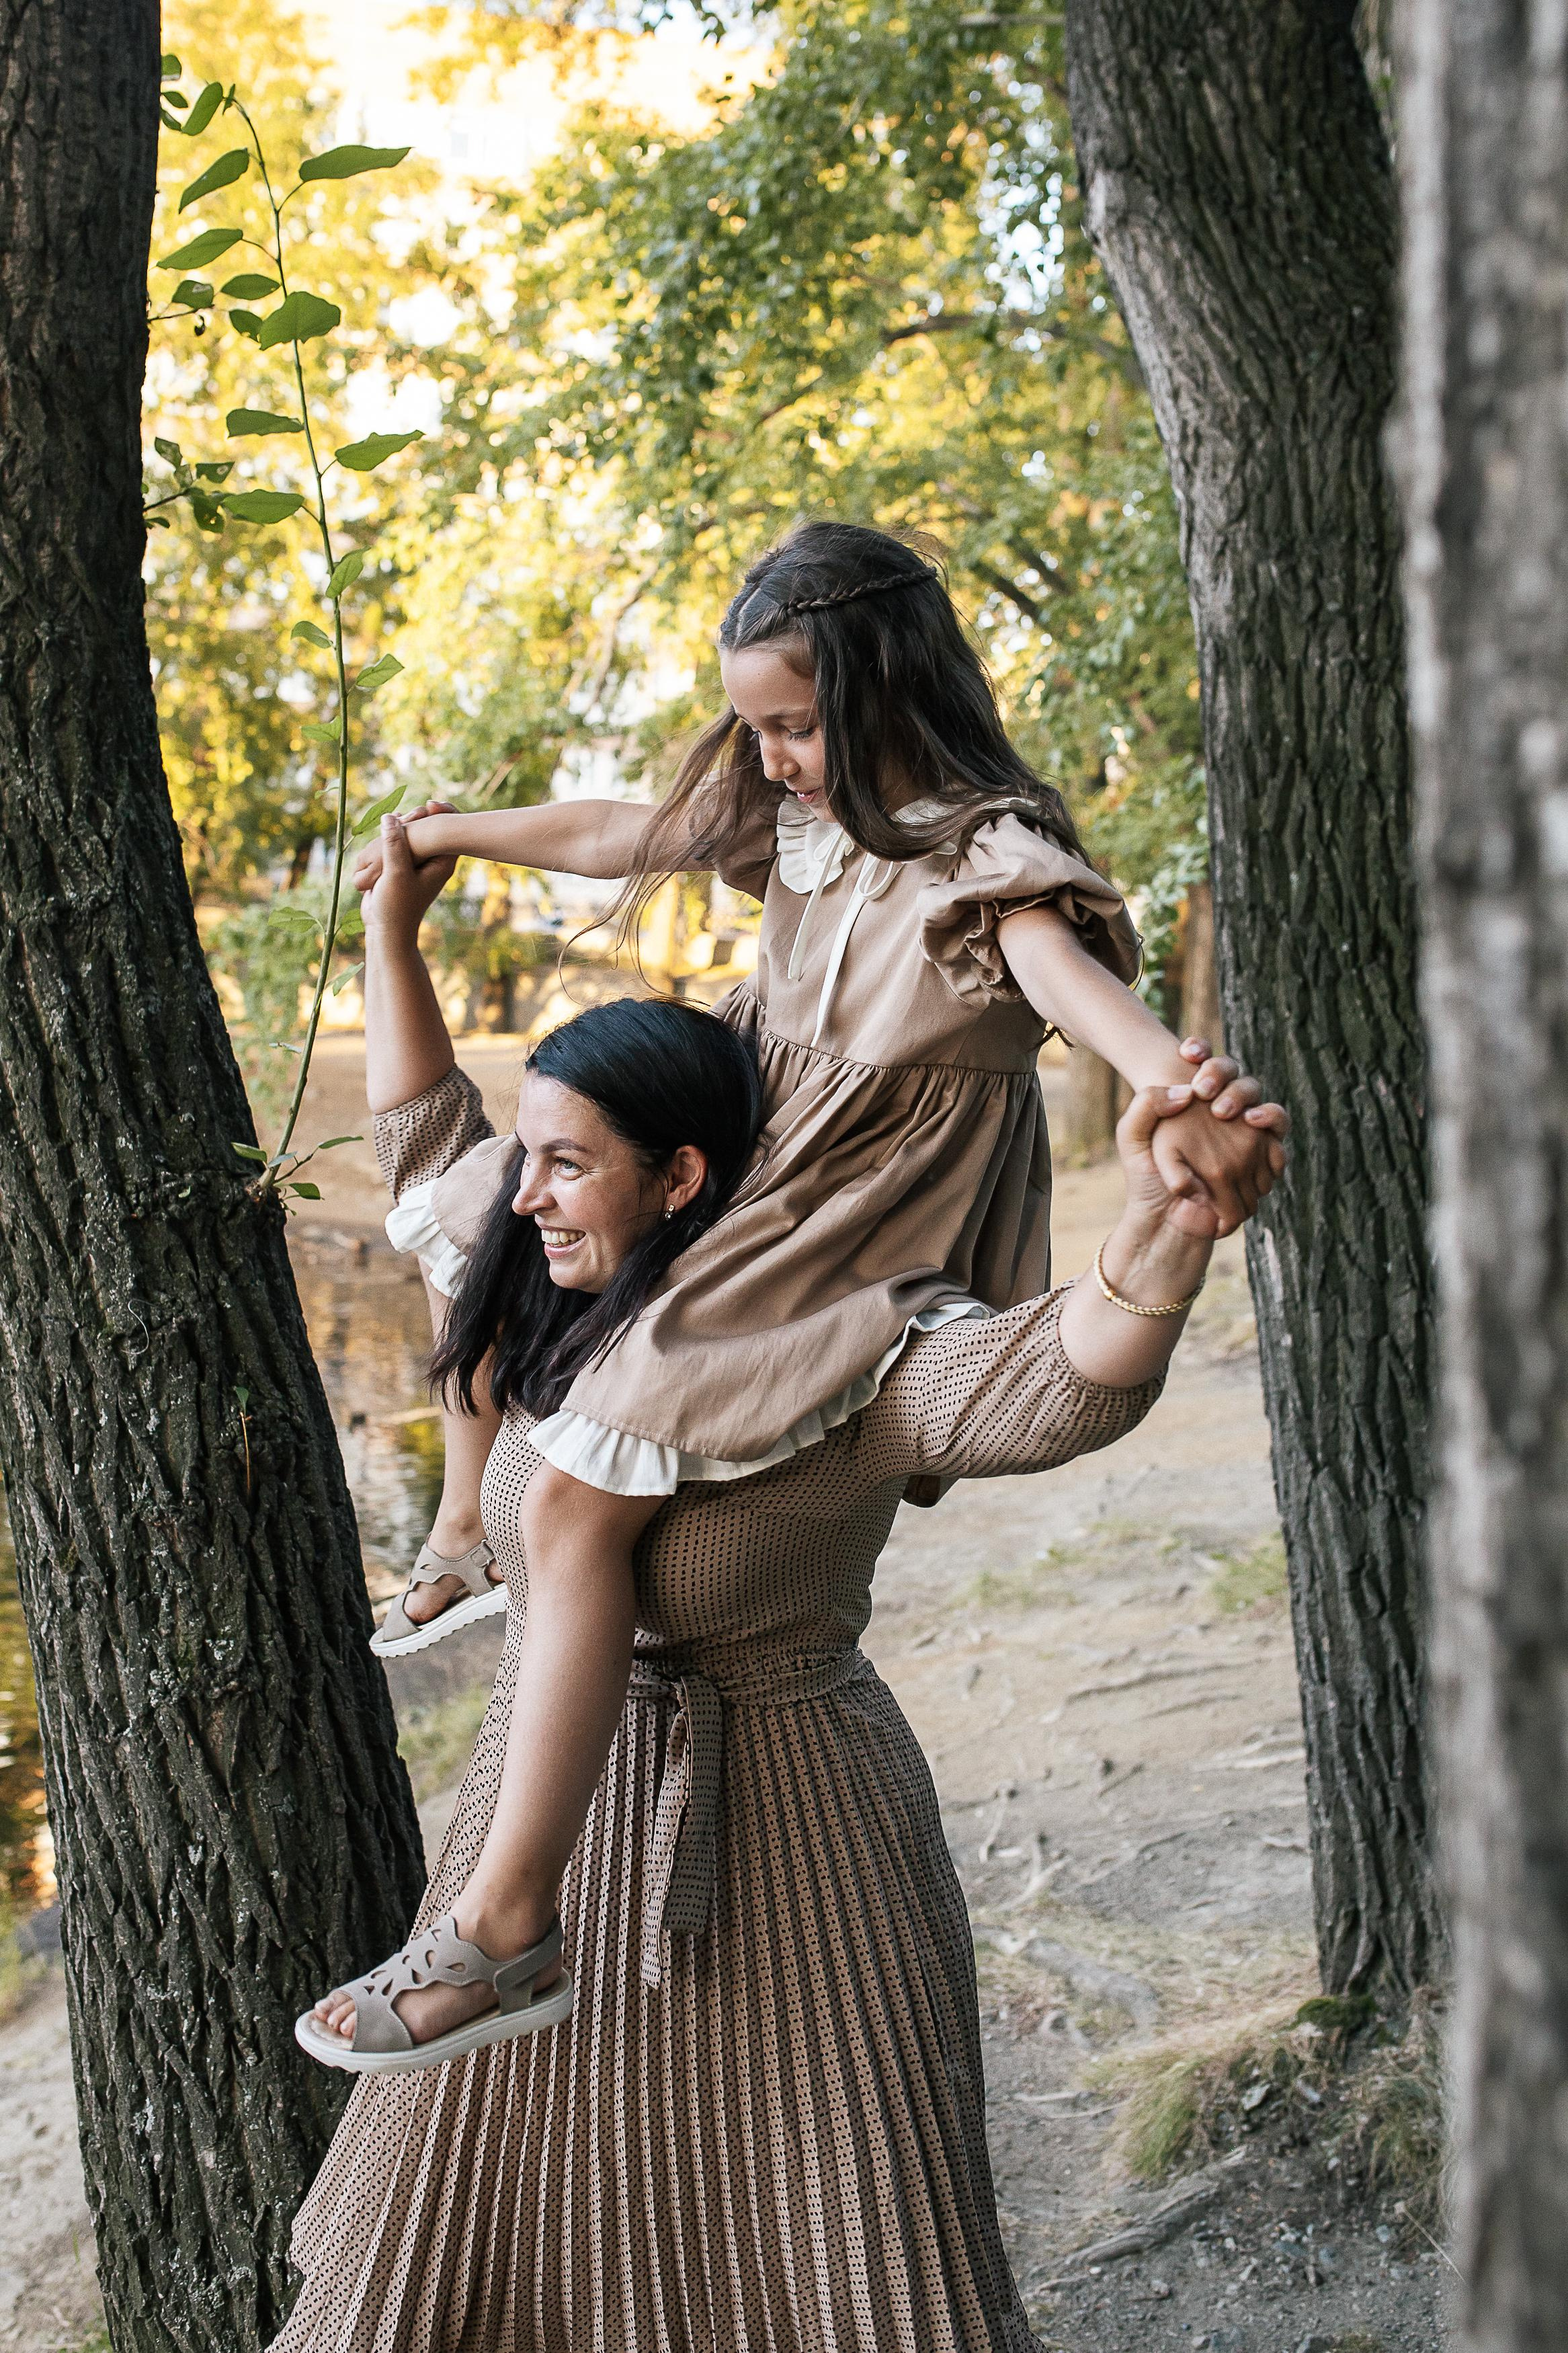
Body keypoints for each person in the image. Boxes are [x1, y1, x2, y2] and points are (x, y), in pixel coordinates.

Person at [277, 818, 1286, 2349]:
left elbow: (1042, 1384)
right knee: (497, 2233)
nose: (531, 1192)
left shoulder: (830, 1343)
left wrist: (1165, 1231)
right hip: (541, 1847)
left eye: (569, 1162)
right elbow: (424, 1134)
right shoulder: (553, 1295)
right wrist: (396, 919)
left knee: (837, 2253)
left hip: (804, 1850)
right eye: (532, 1156)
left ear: (681, 1174)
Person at [329, 517, 1282, 2063]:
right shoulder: (795, 824)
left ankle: (508, 1925)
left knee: (581, 1489)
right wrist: (448, 842)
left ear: (888, 686)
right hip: (754, 1168)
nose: (770, 758)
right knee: (496, 1231)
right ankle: (454, 1534)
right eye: (755, 726)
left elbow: (1080, 999)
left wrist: (1181, 1089)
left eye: (793, 722)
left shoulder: (980, 860)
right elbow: (617, 832)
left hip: (834, 1231)